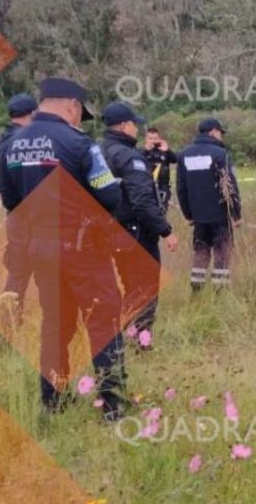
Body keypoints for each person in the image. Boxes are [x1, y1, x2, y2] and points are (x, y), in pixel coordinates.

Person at [0, 77, 127, 419]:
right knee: (103, 320)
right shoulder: (78, 143)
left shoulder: (13, 144)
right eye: (78, 113)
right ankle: (112, 405)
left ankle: (52, 401)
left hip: (40, 250)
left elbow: (11, 201)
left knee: (55, 324)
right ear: (72, 106)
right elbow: (109, 195)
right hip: (83, 249)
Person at [99, 102, 178, 348]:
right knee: (146, 288)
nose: (137, 129)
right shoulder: (129, 157)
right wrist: (166, 230)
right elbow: (143, 202)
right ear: (124, 125)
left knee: (131, 288)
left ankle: (130, 336)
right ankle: (142, 343)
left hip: (113, 231)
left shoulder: (99, 152)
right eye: (135, 124)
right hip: (137, 232)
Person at [0, 93, 37, 322]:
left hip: (16, 216)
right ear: (33, 114)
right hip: (44, 215)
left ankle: (9, 324)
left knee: (18, 271)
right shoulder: (38, 140)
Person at [176, 118, 240, 288]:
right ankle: (220, 290)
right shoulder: (220, 154)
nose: (222, 137)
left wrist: (188, 214)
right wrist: (236, 214)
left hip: (198, 217)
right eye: (221, 132)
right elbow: (230, 186)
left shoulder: (184, 155)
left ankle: (196, 289)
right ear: (213, 132)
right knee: (222, 251)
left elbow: (181, 189)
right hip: (220, 215)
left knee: (201, 251)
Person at [141, 128, 178, 212]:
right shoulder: (141, 152)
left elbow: (176, 160)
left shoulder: (163, 151)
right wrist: (145, 151)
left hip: (163, 186)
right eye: (150, 138)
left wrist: (168, 150)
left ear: (159, 139)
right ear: (146, 139)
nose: (153, 141)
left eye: (155, 138)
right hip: (146, 186)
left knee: (162, 211)